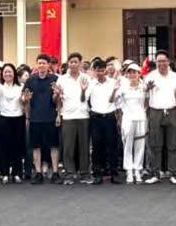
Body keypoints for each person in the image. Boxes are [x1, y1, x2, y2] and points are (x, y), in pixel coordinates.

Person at [143, 50, 176, 184]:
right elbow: (144, 96)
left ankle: (173, 173)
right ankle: (155, 174)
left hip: (172, 111)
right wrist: (146, 90)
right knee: (155, 144)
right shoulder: (150, 77)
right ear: (156, 62)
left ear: (168, 61)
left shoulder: (175, 77)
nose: (161, 63)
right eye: (158, 61)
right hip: (155, 112)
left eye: (163, 61)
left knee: (173, 144)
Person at [23, 54, 59, 184]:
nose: (41, 65)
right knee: (36, 147)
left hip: (51, 117)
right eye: (39, 63)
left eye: (44, 63)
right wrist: (26, 101)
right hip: (35, 118)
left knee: (54, 146)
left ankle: (55, 172)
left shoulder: (55, 79)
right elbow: (24, 99)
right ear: (37, 64)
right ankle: (38, 173)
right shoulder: (30, 80)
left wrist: (57, 95)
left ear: (48, 65)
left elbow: (59, 100)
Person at [56, 53, 91, 185]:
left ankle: (84, 172)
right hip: (68, 116)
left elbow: (84, 99)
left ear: (80, 63)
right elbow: (57, 100)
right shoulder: (62, 79)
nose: (73, 64)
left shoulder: (86, 78)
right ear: (68, 63)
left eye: (76, 62)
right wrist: (58, 114)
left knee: (84, 146)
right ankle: (69, 173)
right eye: (71, 62)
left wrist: (83, 90)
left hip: (83, 116)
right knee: (68, 147)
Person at [87, 58, 122, 185]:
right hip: (95, 118)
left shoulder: (112, 82)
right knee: (97, 146)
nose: (100, 73)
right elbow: (84, 99)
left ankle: (114, 173)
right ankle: (97, 174)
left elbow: (116, 102)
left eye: (102, 70)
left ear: (105, 70)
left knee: (112, 145)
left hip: (110, 117)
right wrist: (83, 90)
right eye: (98, 70)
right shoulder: (90, 83)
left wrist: (119, 118)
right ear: (94, 71)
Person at [0, 63, 26, 183]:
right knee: (4, 146)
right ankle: (5, 173)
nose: (7, 74)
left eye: (10, 72)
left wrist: (25, 99)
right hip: (4, 118)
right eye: (5, 72)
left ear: (14, 73)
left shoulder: (21, 86)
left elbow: (24, 100)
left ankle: (17, 173)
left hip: (18, 118)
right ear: (2, 74)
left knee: (17, 146)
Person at [116, 63, 149, 184]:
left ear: (139, 74)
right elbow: (117, 104)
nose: (132, 75)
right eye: (130, 72)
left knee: (140, 146)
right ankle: (129, 171)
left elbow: (147, 103)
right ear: (127, 74)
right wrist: (119, 120)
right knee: (128, 146)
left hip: (140, 118)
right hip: (128, 119)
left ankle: (137, 170)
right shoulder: (123, 88)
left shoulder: (144, 87)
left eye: (134, 72)